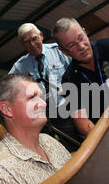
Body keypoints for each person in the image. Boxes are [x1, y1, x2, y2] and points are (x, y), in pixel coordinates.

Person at [0, 73, 71, 184]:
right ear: (7, 109)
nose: (44, 104)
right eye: (32, 97)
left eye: (41, 97)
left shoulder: (50, 142)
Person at [9, 23, 80, 151]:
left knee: (73, 143)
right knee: (48, 149)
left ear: (41, 36)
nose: (32, 44)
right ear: (22, 44)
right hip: (41, 115)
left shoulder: (59, 51)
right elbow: (8, 87)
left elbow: (78, 69)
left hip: (64, 108)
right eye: (26, 42)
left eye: (34, 38)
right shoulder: (20, 66)